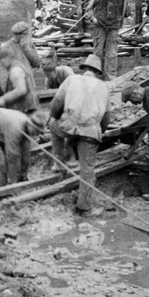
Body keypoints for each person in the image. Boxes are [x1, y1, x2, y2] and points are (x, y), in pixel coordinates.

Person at [47, 54, 112, 216]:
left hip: (69, 126)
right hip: (90, 131)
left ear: (84, 69)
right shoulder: (104, 87)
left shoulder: (71, 80)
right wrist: (98, 133)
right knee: (87, 171)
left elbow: (56, 106)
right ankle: (84, 207)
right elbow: (106, 119)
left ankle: (60, 163)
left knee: (52, 125)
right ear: (98, 72)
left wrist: (56, 118)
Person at [0, 104, 41, 189]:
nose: (37, 134)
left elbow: (25, 154)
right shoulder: (16, 128)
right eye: (36, 131)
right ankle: (0, 191)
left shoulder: (25, 128)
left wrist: (23, 176)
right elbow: (12, 155)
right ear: (30, 124)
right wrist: (15, 183)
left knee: (2, 160)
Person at [87, 0, 127, 79]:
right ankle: (95, 77)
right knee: (98, 52)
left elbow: (126, 12)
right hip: (100, 26)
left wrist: (121, 19)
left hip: (114, 26)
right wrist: (93, 18)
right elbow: (88, 8)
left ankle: (111, 78)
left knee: (112, 53)